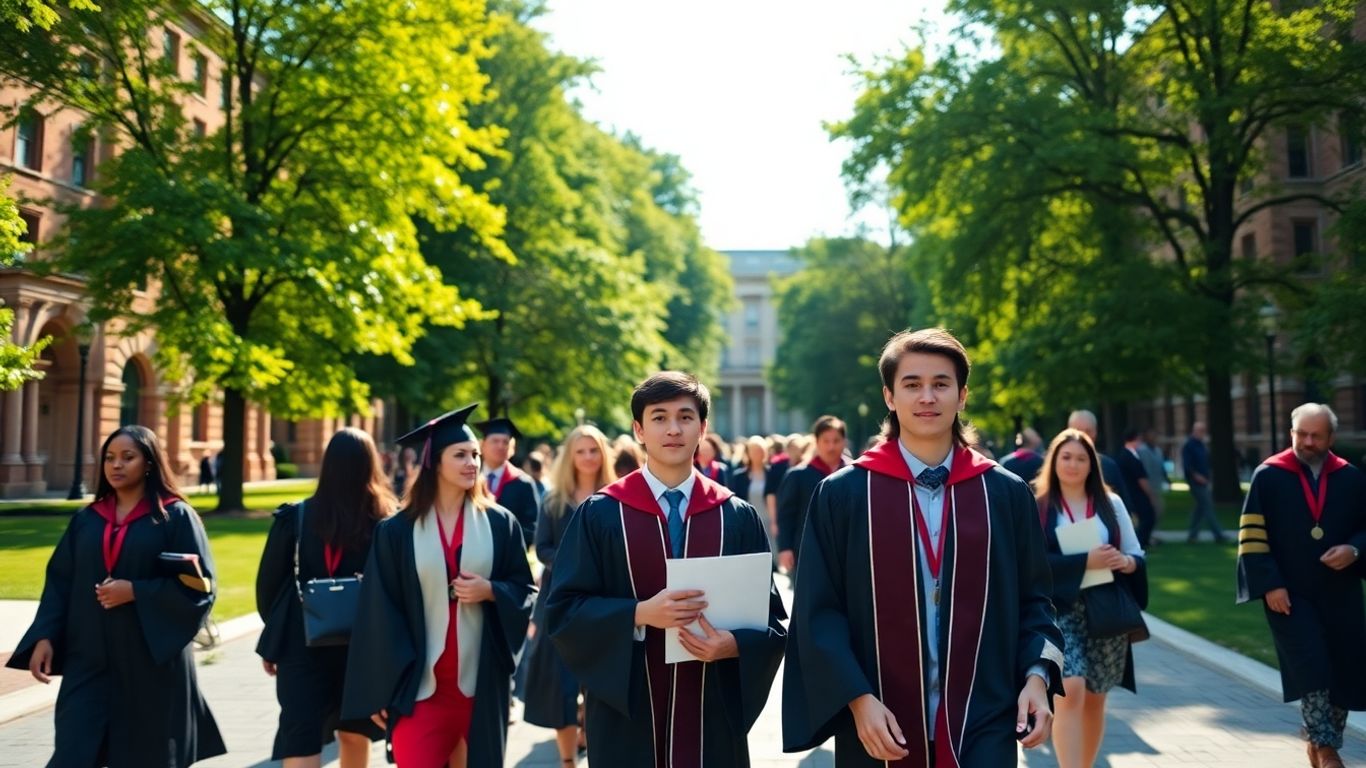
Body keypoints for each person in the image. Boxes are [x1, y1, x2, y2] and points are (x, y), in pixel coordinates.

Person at [783, 328, 1062, 767]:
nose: (927, 397)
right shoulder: (844, 495)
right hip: (878, 720)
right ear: (889, 397)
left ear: (962, 395)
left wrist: (1036, 678)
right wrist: (857, 699)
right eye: (912, 384)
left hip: (983, 716)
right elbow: (819, 612)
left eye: (941, 384)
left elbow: (1036, 601)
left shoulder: (1004, 494)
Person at [544, 372, 787, 768]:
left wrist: (735, 645)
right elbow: (563, 611)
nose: (673, 429)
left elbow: (772, 621)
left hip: (710, 713)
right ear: (639, 430)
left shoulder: (736, 516)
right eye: (659, 418)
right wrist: (638, 614)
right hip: (629, 719)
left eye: (685, 417)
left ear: (702, 428)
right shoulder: (601, 515)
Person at [8, 425, 225, 767]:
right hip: (89, 658)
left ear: (149, 463)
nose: (116, 465)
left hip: (150, 665)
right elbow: (60, 583)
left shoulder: (174, 517)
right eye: (109, 458)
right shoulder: (87, 520)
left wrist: (136, 591)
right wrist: (45, 635)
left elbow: (201, 588)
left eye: (128, 457)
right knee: (73, 752)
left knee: (146, 758)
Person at [341, 404, 535, 768]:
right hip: (419, 688)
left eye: (475, 455)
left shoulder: (500, 524)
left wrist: (491, 590)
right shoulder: (396, 532)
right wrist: (381, 687)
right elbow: (378, 612)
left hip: (479, 686)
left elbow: (524, 591)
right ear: (434, 462)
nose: (472, 463)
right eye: (460, 455)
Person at [255, 428, 394, 768]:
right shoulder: (387, 522)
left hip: (303, 641)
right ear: (371, 466)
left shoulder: (296, 518)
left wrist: (277, 638)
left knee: (301, 738)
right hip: (363, 645)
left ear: (327, 465)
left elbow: (268, 586)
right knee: (355, 733)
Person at [1236, 403, 1366, 768]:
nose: (1308, 442)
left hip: (1340, 591)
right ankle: (1325, 749)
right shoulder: (1268, 476)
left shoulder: (1351, 478)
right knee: (1312, 665)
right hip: (1289, 594)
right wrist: (1270, 585)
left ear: (1331, 438)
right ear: (1291, 433)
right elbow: (1252, 535)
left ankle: (1323, 741)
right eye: (1302, 434)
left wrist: (1355, 550)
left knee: (1343, 667)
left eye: (1316, 436)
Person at [1036, 429, 1146, 768]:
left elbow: (1135, 554)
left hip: (1104, 610)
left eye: (1081, 458)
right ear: (1054, 461)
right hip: (1059, 612)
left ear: (1092, 465)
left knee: (1096, 697)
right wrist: (1085, 561)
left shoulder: (1111, 505)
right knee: (1070, 689)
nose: (1073, 464)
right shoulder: (1038, 506)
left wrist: (1124, 562)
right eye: (1066, 457)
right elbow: (1029, 564)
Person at [524, 425, 617, 765]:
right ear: (570, 456)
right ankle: (567, 761)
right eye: (581, 451)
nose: (588, 457)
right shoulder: (554, 500)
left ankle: (591, 742)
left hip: (604, 604)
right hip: (560, 602)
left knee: (599, 688)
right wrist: (575, 563)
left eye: (594, 450)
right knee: (561, 690)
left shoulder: (617, 498)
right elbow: (543, 548)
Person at [776, 415, 848, 577]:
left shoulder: (854, 475)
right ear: (816, 441)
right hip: (808, 552)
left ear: (844, 442)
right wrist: (785, 548)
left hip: (846, 553)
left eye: (836, 441)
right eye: (826, 441)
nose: (831, 446)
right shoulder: (798, 475)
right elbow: (786, 515)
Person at [476, 416, 538, 549]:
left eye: (505, 442)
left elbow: (531, 526)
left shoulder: (523, 483)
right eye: (495, 441)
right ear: (482, 445)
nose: (500, 446)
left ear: (512, 448)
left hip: (509, 553)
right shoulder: (470, 479)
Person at [1067, 410, 1132, 510]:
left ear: (1095, 433)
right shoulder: (1056, 465)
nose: (1082, 436)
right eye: (1077, 431)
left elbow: (1124, 506)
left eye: (1088, 431)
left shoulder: (1109, 467)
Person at [729, 436, 777, 563]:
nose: (758, 454)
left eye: (760, 450)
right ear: (748, 453)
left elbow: (773, 497)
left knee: (771, 555)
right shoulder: (739, 476)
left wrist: (774, 521)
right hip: (748, 519)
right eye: (754, 451)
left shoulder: (772, 473)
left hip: (768, 519)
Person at [1182, 421, 1228, 543]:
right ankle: (1218, 535)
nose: (1202, 433)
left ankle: (1192, 536)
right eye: (1200, 431)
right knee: (1208, 506)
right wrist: (1196, 476)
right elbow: (1187, 465)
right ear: (1194, 431)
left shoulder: (1201, 445)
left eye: (1203, 431)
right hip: (1195, 481)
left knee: (1200, 509)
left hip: (1204, 480)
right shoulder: (1189, 445)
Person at [1116, 428, 1158, 548]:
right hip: (1136, 493)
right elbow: (1141, 479)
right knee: (1148, 516)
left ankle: (1143, 540)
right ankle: (1141, 541)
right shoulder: (1131, 457)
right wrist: (1151, 494)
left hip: (1129, 492)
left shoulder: (1123, 455)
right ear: (1137, 439)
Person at [1138, 429, 1168, 527]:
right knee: (1152, 508)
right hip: (1146, 484)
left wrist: (1166, 478)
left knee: (1159, 508)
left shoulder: (1158, 450)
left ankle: (1152, 528)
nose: (1153, 438)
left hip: (1156, 483)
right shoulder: (1142, 450)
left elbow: (1161, 466)